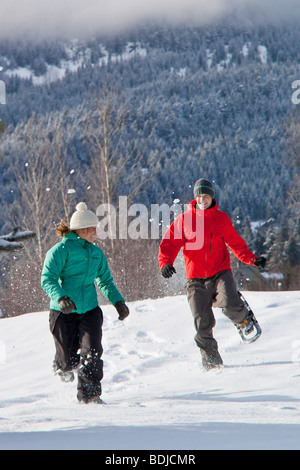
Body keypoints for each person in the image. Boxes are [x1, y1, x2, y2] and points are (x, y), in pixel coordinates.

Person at [158, 179, 266, 370]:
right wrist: (165, 263)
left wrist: (252, 259)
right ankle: (212, 363)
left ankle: (244, 319)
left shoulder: (221, 218)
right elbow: (168, 244)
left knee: (230, 303)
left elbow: (236, 244)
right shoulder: (184, 220)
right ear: (195, 198)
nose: (202, 199)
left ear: (212, 197)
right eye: (199, 196)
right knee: (202, 324)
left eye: (205, 196)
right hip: (195, 279)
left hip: (220, 273)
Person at [41, 202, 129, 403]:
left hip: (89, 310)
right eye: (91, 228)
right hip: (63, 312)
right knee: (69, 361)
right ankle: (60, 364)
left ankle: (89, 397)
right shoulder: (60, 250)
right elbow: (48, 278)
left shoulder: (96, 253)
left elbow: (105, 281)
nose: (95, 232)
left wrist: (118, 302)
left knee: (93, 352)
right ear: (80, 229)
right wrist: (61, 297)